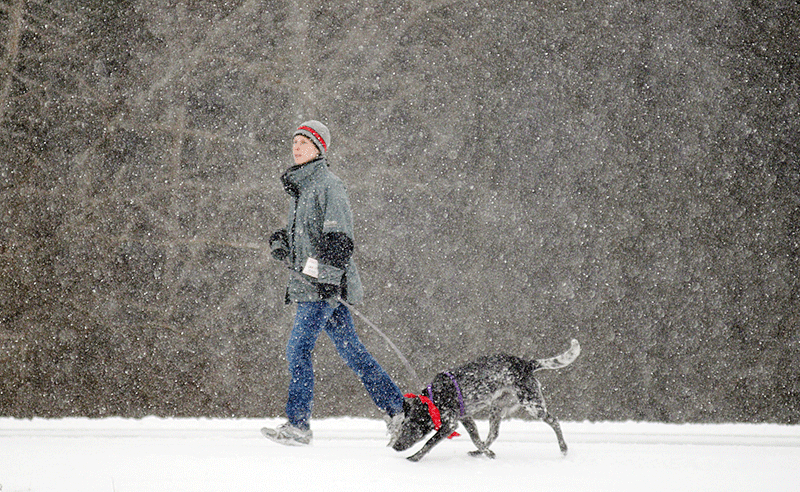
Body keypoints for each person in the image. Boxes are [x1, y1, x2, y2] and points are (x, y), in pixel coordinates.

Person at [265, 120, 404, 445]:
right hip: (312, 285)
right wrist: (282, 241)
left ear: (318, 149)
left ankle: (298, 425)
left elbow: (339, 239)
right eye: (294, 141)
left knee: (298, 349)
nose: (296, 147)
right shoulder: (301, 189)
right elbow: (308, 239)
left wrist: (328, 280)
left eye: (304, 142)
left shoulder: (329, 185)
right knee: (352, 351)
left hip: (322, 289)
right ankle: (397, 409)